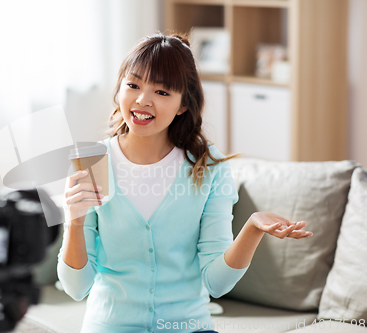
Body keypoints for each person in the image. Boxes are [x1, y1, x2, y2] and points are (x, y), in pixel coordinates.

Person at [57, 32, 312, 333]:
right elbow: (76, 287)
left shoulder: (207, 166)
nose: (142, 100)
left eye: (162, 92)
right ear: (119, 89)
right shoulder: (93, 161)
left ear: (183, 105)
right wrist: (74, 222)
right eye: (133, 84)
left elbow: (215, 282)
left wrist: (253, 228)